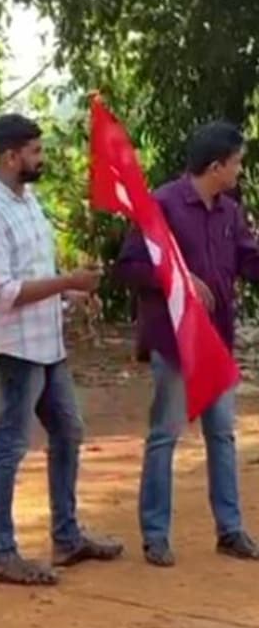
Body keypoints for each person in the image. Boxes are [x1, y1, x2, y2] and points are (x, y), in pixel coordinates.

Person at [0, 113, 124, 586]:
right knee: (9, 446)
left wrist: (71, 292)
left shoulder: (28, 200)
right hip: (16, 348)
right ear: (10, 156)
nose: (42, 159)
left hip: (47, 343)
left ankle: (66, 537)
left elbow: (36, 269)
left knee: (68, 432)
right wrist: (67, 281)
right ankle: (3, 552)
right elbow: (3, 291)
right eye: (36, 152)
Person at [114, 121, 259, 566]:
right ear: (216, 166)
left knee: (222, 433)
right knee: (165, 435)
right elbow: (131, 267)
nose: (239, 171)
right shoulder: (161, 205)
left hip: (215, 340)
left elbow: (249, 259)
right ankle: (155, 534)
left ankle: (230, 530)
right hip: (175, 341)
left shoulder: (230, 211)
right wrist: (178, 278)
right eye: (236, 163)